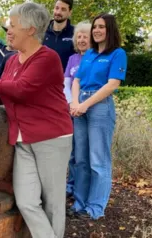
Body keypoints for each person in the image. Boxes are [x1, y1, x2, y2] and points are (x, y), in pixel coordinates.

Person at [0, 2, 73, 238]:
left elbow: (22, 89)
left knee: (53, 203)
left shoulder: (47, 58)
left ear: (30, 29)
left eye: (13, 25)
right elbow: (3, 94)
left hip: (51, 138)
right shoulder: (11, 61)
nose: (8, 30)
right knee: (26, 201)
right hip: (22, 139)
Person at [69, 13, 127, 220]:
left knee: (98, 161)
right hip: (81, 106)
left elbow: (112, 84)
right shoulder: (90, 54)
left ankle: (94, 208)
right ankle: (80, 203)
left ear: (110, 30)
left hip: (99, 107)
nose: (97, 30)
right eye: (95, 26)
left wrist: (84, 105)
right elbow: (76, 80)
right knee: (81, 160)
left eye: (101, 26)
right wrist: (75, 103)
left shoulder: (117, 54)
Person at [63, 21, 91, 197]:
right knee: (72, 152)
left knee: (84, 153)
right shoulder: (72, 59)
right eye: (78, 36)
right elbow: (66, 83)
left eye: (85, 37)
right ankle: (71, 185)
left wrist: (81, 105)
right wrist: (70, 103)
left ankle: (84, 188)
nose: (81, 40)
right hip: (72, 110)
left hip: (88, 109)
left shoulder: (94, 57)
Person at [43, 0, 76, 71]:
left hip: (65, 81)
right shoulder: (42, 31)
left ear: (70, 12)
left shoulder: (75, 33)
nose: (58, 12)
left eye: (63, 9)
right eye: (56, 8)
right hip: (42, 80)